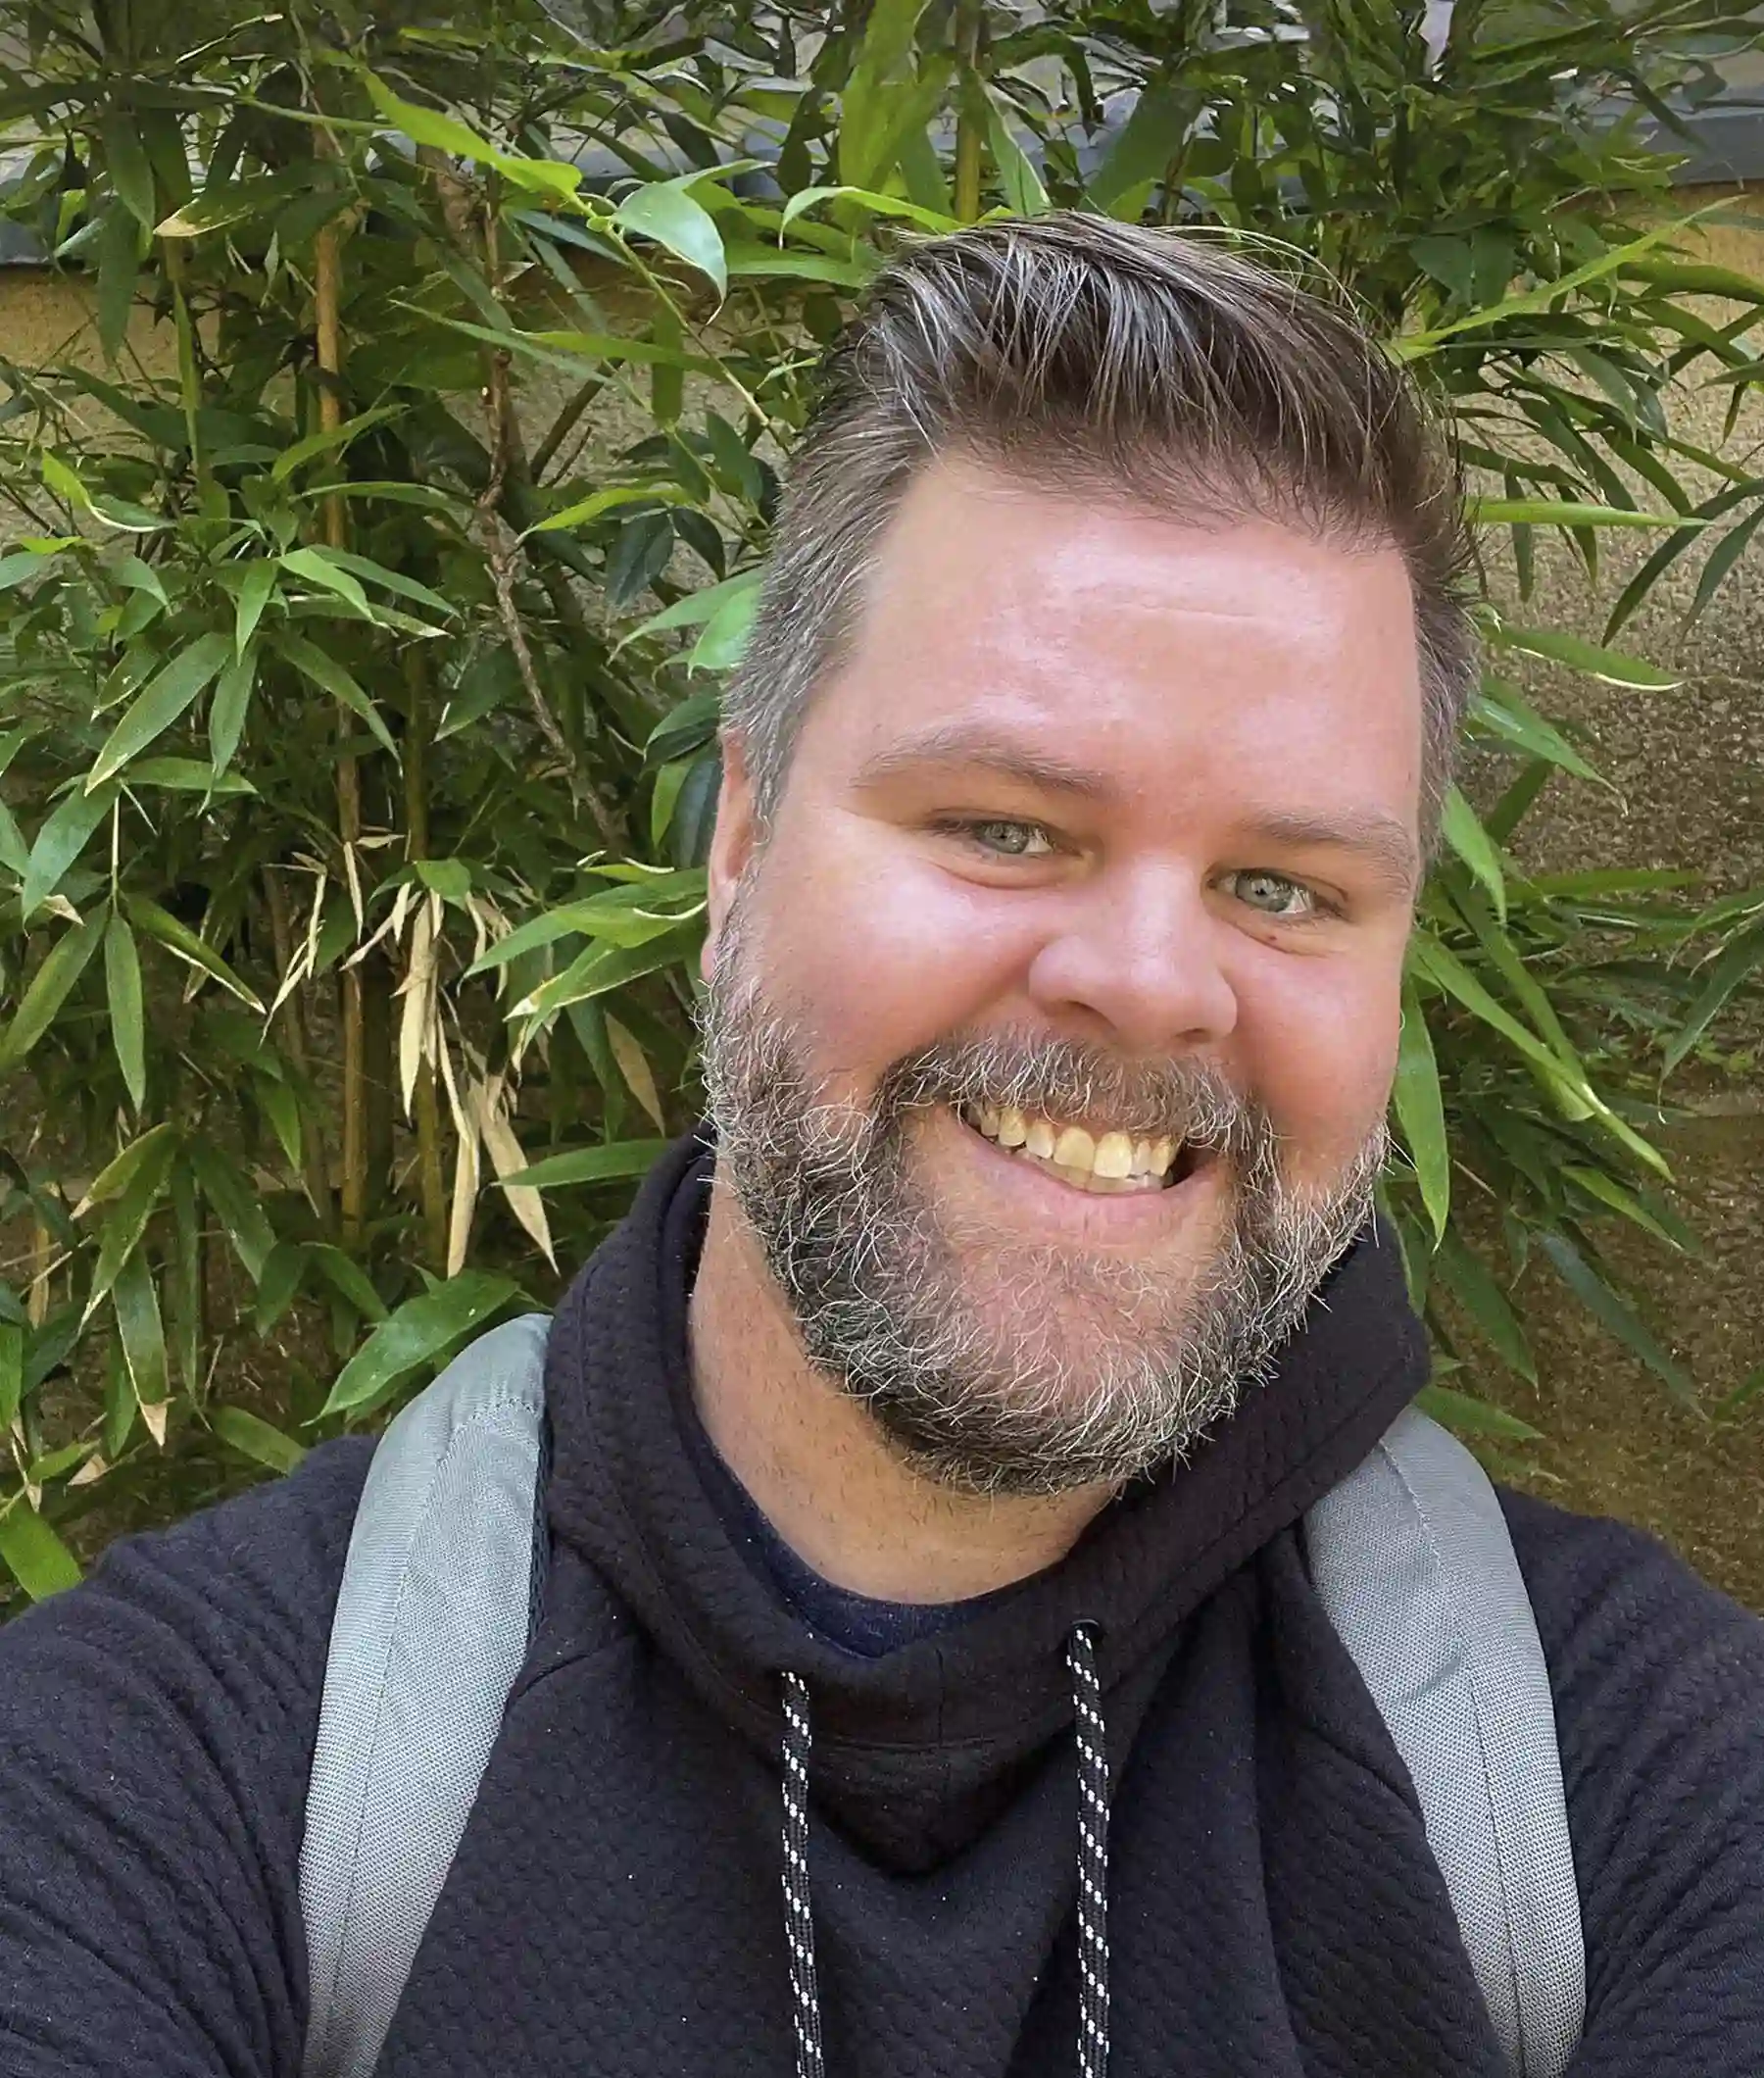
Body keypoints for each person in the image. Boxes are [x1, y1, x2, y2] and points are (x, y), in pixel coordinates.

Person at [1, 214, 1760, 2078]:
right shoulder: (179, 1776)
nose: (1153, 984)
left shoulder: (1633, 1783)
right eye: (1006, 826)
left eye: (1282, 884)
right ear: (740, 844)